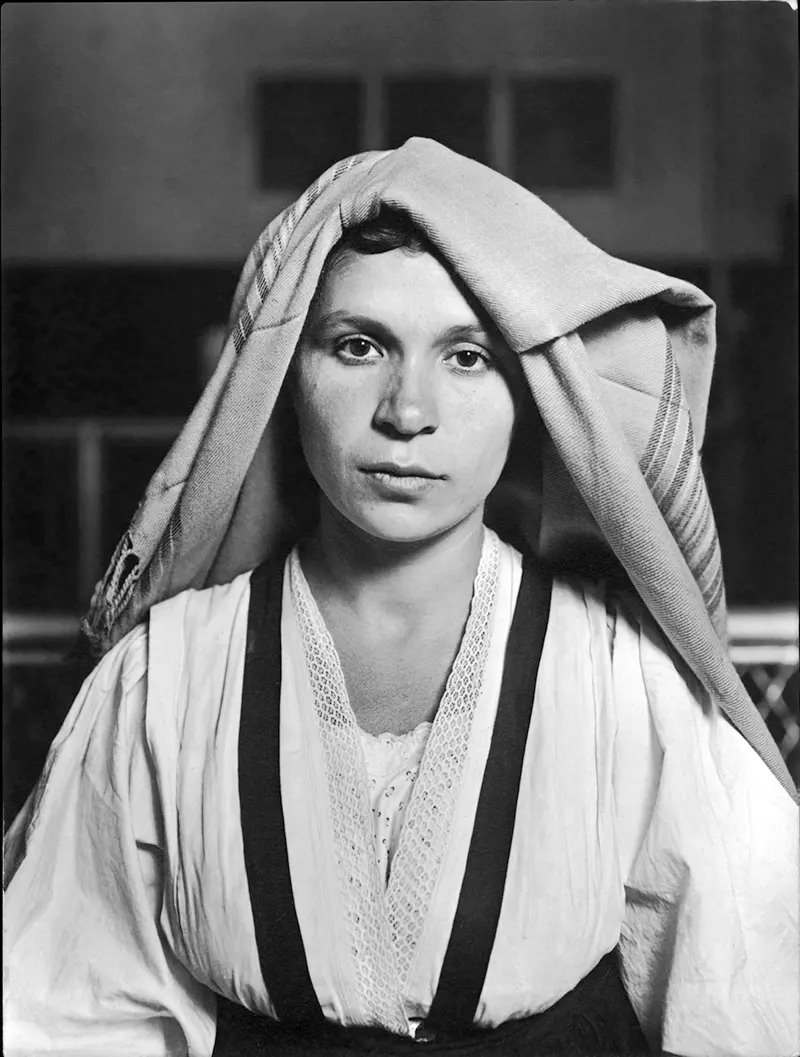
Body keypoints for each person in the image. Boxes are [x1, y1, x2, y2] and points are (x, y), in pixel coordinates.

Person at [4, 138, 798, 1057]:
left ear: (529, 397)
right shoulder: (167, 675)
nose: (407, 411)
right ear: (284, 381)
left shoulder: (622, 675)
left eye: (466, 357)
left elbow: (749, 1002)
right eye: (358, 345)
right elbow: (66, 1013)